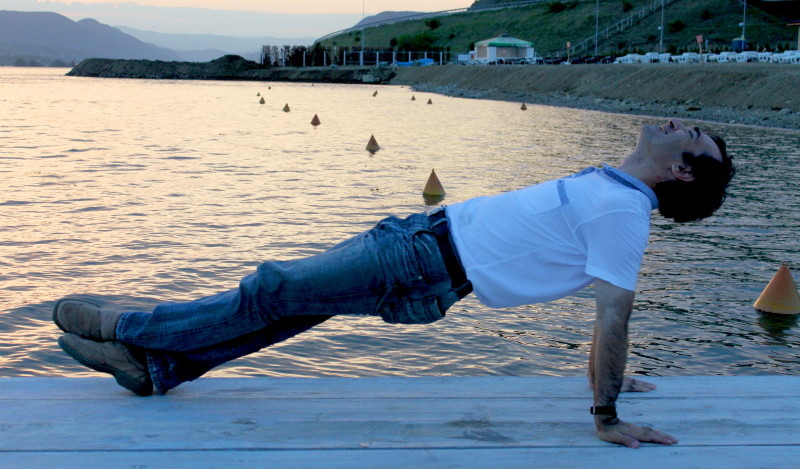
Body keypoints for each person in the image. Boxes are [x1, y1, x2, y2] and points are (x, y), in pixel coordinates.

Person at [54, 118, 734, 449]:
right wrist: (608, 373)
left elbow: (613, 312)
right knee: (287, 309)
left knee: (271, 288)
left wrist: (606, 413)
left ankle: (127, 328)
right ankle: (157, 370)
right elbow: (599, 304)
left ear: (680, 172)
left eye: (692, 137)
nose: (680, 125)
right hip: (418, 243)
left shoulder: (622, 211)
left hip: (421, 263)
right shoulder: (612, 188)